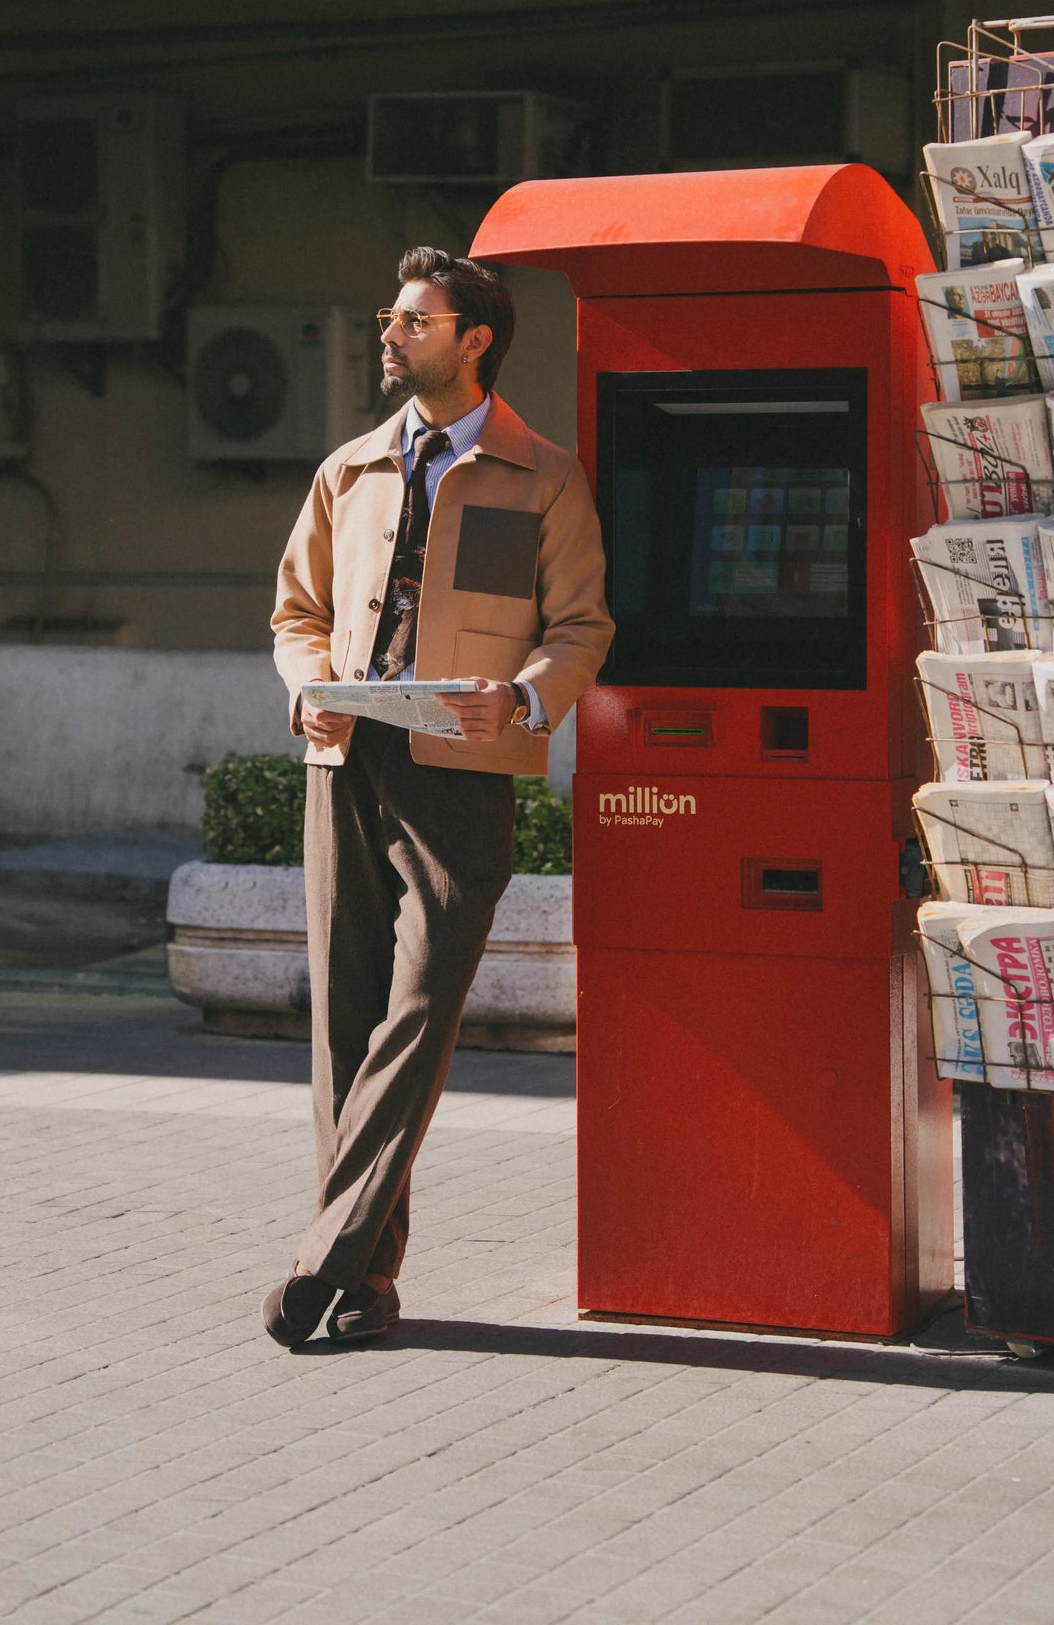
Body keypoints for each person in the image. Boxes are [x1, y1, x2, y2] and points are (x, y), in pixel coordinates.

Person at [263, 246, 613, 1347]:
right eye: (391, 316)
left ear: (474, 341)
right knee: (344, 1022)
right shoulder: (347, 471)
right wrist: (304, 693)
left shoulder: (541, 474)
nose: (389, 333)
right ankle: (365, 1280)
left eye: (412, 319)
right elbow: (294, 614)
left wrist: (517, 698)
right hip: (346, 761)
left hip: (462, 773)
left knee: (420, 1006)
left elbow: (581, 627)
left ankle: (323, 1256)